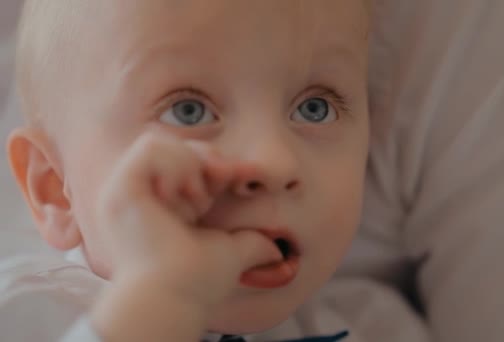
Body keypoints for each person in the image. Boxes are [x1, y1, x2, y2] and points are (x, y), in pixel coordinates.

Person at [2, 0, 420, 341]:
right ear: (55, 187)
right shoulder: (26, 314)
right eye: (188, 111)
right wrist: (162, 300)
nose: (274, 162)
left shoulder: (374, 326)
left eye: (316, 108)